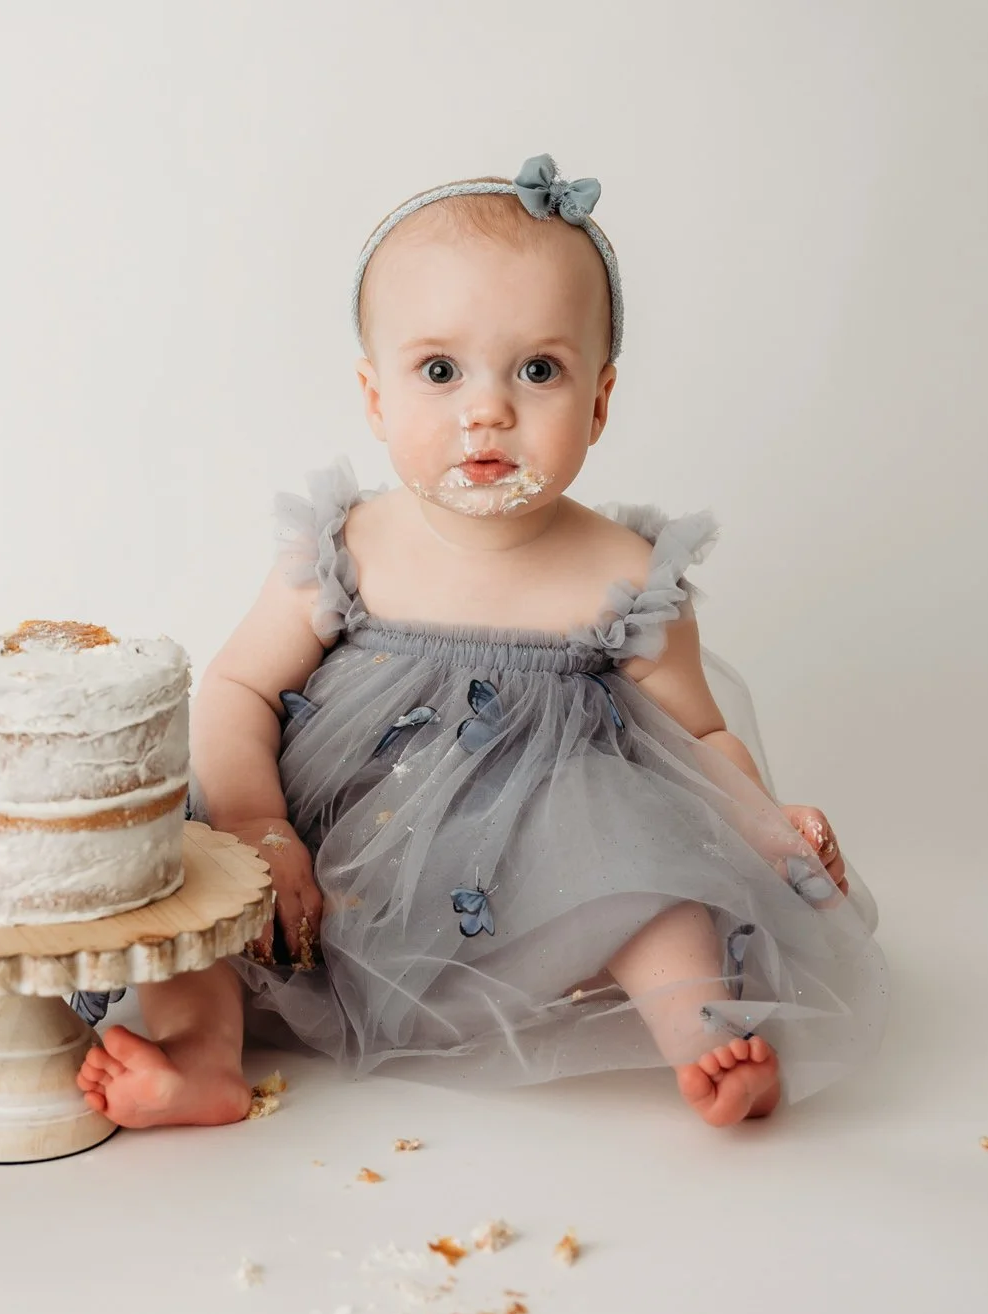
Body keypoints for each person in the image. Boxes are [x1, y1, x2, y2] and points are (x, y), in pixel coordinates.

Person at [76, 153, 888, 1129]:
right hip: (325, 853)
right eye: (438, 369)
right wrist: (257, 825)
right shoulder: (345, 545)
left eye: (536, 369)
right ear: (376, 398)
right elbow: (238, 687)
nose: (486, 408)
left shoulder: (624, 575)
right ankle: (200, 1056)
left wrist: (765, 819)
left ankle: (702, 1034)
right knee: (192, 885)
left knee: (642, 859)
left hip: (520, 874)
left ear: (598, 400)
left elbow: (695, 741)